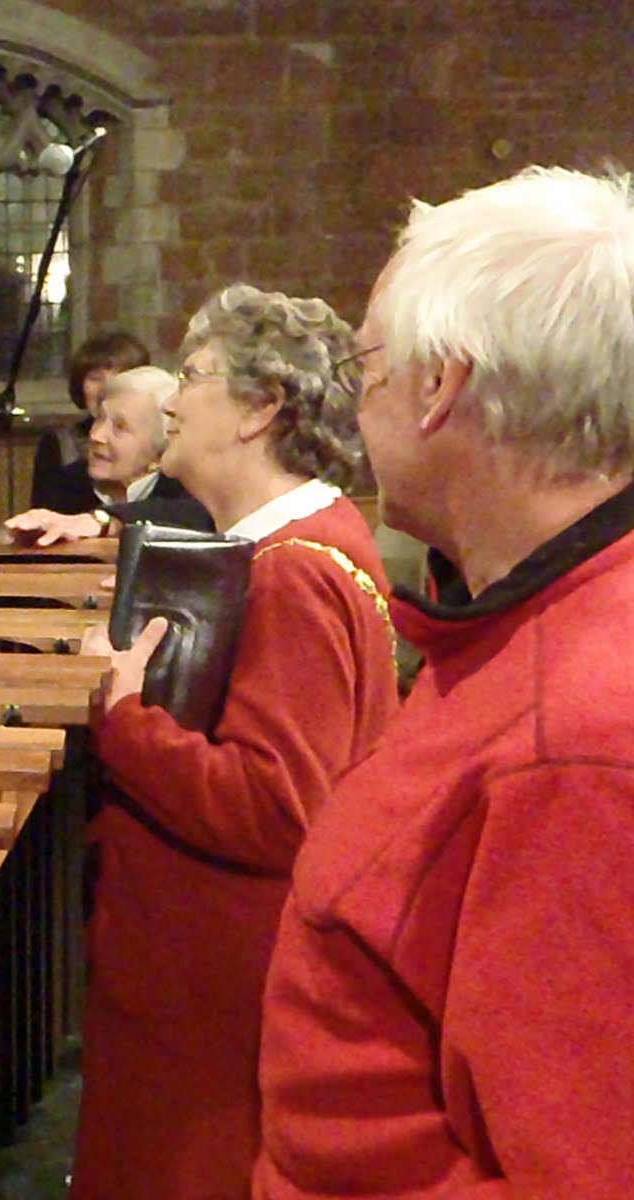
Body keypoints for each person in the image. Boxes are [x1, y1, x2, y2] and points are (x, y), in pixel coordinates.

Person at [254, 167, 634, 1199]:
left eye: (363, 363)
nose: (353, 392)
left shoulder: (580, 746)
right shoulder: (523, 625)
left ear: (439, 390)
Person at [69, 284, 401, 1200]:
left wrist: (122, 713)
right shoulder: (292, 546)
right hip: (195, 977)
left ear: (262, 409)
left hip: (213, 990)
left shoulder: (298, 572)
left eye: (192, 375)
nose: (171, 399)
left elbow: (275, 807)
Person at [4, 366, 213, 545]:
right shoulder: (68, 483)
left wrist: (102, 522)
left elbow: (196, 518)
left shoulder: (187, 489)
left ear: (160, 452)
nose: (96, 435)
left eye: (120, 427)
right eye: (99, 419)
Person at [29, 329, 150, 513]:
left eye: (119, 377)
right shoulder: (59, 444)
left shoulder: (161, 441)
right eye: (95, 378)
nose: (106, 388)